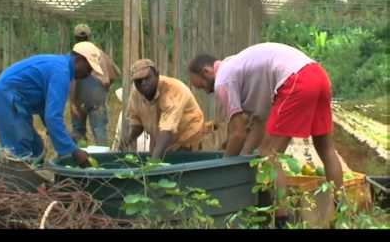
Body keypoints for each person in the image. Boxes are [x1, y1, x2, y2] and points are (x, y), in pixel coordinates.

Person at [187, 42, 343, 227]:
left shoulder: (223, 80)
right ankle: (340, 213)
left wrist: (224, 168)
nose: (207, 92)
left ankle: (281, 220)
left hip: (296, 79)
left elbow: (237, 133)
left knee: (269, 155)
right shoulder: (241, 69)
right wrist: (244, 154)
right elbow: (257, 126)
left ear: (206, 71)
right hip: (317, 74)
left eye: (204, 86)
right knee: (326, 149)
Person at [0, 41, 104, 167]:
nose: (88, 73)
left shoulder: (60, 68)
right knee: (20, 149)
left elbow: (46, 111)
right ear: (79, 60)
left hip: (12, 98)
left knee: (37, 149)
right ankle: (17, 183)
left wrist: (65, 138)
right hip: (6, 97)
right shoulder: (61, 73)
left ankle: (33, 180)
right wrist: (74, 151)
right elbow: (53, 117)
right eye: (88, 68)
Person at [119, 59, 207, 159]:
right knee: (157, 157)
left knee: (176, 166)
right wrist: (127, 140)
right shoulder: (136, 92)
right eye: (138, 81)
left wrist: (153, 165)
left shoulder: (173, 90)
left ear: (157, 74)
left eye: (147, 78)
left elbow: (167, 131)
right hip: (160, 136)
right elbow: (137, 122)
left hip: (186, 137)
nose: (143, 83)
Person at [70, 24, 120, 146]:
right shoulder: (99, 53)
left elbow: (71, 80)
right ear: (89, 36)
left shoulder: (73, 55)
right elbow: (115, 73)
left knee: (78, 132)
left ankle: (80, 159)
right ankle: (103, 159)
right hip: (97, 100)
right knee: (99, 131)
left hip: (78, 100)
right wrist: (105, 88)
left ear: (75, 38)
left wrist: (71, 103)